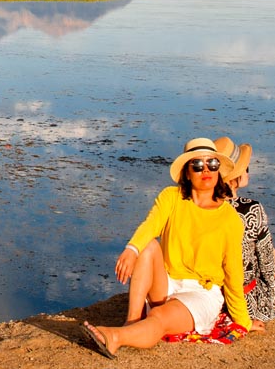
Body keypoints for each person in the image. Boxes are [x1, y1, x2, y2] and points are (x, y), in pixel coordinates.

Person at [81, 137, 251, 359]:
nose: (205, 170)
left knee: (159, 316)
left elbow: (233, 272)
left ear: (219, 170)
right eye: (197, 165)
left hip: (201, 292)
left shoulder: (229, 218)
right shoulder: (171, 197)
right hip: (167, 282)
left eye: (212, 164)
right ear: (187, 173)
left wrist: (243, 322)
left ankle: (115, 338)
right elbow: (150, 226)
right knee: (148, 245)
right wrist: (131, 250)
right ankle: (131, 321)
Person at [214, 136, 275, 327]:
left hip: (204, 297)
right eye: (245, 168)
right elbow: (268, 261)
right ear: (234, 178)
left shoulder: (193, 208)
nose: (248, 172)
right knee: (266, 252)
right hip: (238, 302)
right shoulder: (250, 210)